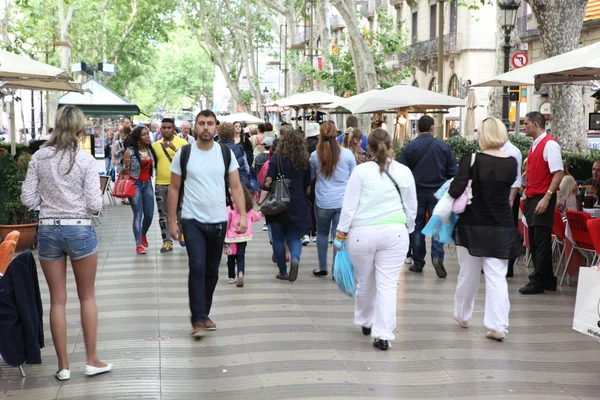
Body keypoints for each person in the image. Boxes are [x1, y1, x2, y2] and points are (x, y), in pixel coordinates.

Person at [20, 105, 112, 380]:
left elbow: (27, 198)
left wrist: (47, 205)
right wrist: (82, 208)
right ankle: (91, 360)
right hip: (80, 229)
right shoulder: (85, 161)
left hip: (48, 229)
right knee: (87, 296)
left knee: (57, 301)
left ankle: (63, 367)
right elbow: (95, 203)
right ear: (81, 129)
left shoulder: (39, 157)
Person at [168, 109, 247, 338]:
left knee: (212, 272)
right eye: (201, 123)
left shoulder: (224, 153)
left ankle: (204, 313)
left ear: (215, 127)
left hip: (218, 220)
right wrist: (173, 221)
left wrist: (242, 215)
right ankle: (197, 319)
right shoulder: (184, 154)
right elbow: (174, 189)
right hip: (192, 219)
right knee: (198, 267)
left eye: (210, 123)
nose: (205, 127)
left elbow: (235, 186)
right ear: (195, 126)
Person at [335, 128, 417, 350]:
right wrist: (408, 228)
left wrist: (340, 234)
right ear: (391, 146)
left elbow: (349, 206)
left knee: (365, 279)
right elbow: (411, 205)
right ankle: (383, 334)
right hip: (395, 233)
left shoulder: (361, 172)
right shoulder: (405, 171)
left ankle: (365, 320)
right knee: (387, 285)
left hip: (361, 234)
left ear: (367, 147)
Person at [448, 117, 519, 341]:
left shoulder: (472, 159)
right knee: (497, 276)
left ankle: (462, 314)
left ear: (483, 135)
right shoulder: (511, 162)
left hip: (472, 224)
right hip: (501, 225)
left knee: (468, 274)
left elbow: (456, 189)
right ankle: (497, 325)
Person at [398, 115, 457, 278]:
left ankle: (418, 262)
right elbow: (453, 172)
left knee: (417, 228)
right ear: (432, 128)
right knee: (437, 226)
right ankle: (437, 257)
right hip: (438, 194)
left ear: (417, 128)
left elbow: (401, 171)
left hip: (416, 194)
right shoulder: (443, 147)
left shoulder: (409, 148)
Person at [520, 111, 564, 295]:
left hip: (541, 196)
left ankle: (537, 280)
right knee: (538, 239)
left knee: (540, 241)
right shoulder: (536, 145)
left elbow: (558, 172)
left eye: (526, 124)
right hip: (533, 196)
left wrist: (547, 196)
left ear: (536, 124)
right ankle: (547, 279)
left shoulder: (550, 145)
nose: (524, 127)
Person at [258, 131, 312, 282]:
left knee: (278, 239)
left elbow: (268, 181)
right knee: (294, 237)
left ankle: (283, 271)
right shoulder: (304, 161)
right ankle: (295, 259)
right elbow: (308, 187)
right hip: (297, 203)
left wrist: (262, 199)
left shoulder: (277, 158)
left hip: (278, 203)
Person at [309, 121, 356, 277]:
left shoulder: (315, 156)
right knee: (339, 236)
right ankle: (337, 270)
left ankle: (322, 267)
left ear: (320, 135)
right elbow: (353, 177)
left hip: (322, 201)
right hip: (342, 202)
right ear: (336, 134)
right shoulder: (348, 154)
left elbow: (312, 176)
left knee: (322, 234)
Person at [152, 118, 188, 252]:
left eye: (169, 127)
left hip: (179, 183)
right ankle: (167, 241)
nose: (166, 130)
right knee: (163, 214)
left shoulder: (183, 143)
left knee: (182, 211)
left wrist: (174, 148)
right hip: (161, 183)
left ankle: (183, 234)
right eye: (164, 127)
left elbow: (187, 160)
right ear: (160, 129)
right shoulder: (155, 145)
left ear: (174, 129)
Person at [122, 126, 157, 254]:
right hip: (135, 184)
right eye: (144, 135)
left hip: (147, 185)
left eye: (148, 134)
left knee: (149, 215)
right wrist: (125, 166)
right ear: (138, 138)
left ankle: (143, 234)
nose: (148, 136)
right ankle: (138, 244)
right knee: (138, 214)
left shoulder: (150, 150)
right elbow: (125, 171)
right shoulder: (129, 152)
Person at [225, 186, 263, 287]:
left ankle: (231, 276)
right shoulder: (247, 210)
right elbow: (255, 217)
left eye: (232, 195)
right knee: (241, 256)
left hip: (230, 238)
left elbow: (226, 223)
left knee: (230, 257)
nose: (230, 197)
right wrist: (261, 213)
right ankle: (240, 273)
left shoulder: (229, 209)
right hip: (243, 237)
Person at [500, 137, 523, 278]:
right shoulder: (497, 150)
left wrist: (511, 199)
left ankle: (508, 266)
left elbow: (517, 179)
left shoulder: (513, 152)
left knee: (508, 231)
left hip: (509, 196)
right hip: (499, 197)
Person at [218, 122, 252, 189]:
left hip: (221, 185)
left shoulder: (214, 149)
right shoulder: (239, 148)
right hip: (239, 183)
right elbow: (247, 168)